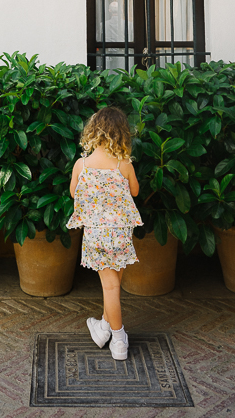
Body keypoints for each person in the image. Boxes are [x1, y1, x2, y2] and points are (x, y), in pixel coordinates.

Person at [68, 106, 142, 360]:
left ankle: (118, 338)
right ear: (121, 135)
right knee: (114, 286)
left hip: (97, 234)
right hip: (120, 233)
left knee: (111, 287)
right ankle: (102, 327)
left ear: (93, 132)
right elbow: (135, 192)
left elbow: (73, 192)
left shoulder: (83, 164)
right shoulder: (124, 165)